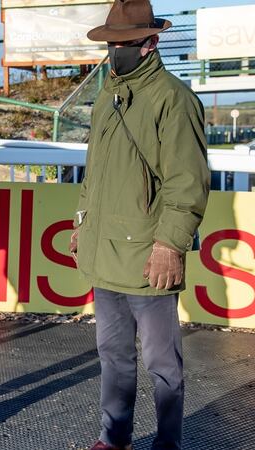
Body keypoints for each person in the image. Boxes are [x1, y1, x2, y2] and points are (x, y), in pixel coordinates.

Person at [71, 1, 210, 448]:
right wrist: (82, 223)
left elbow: (187, 183)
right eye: (112, 43)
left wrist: (170, 244)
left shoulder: (174, 98)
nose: (116, 51)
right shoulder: (107, 98)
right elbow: (94, 176)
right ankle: (115, 439)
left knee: (162, 365)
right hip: (105, 251)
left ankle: (166, 444)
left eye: (125, 43)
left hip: (149, 257)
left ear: (151, 43)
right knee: (113, 356)